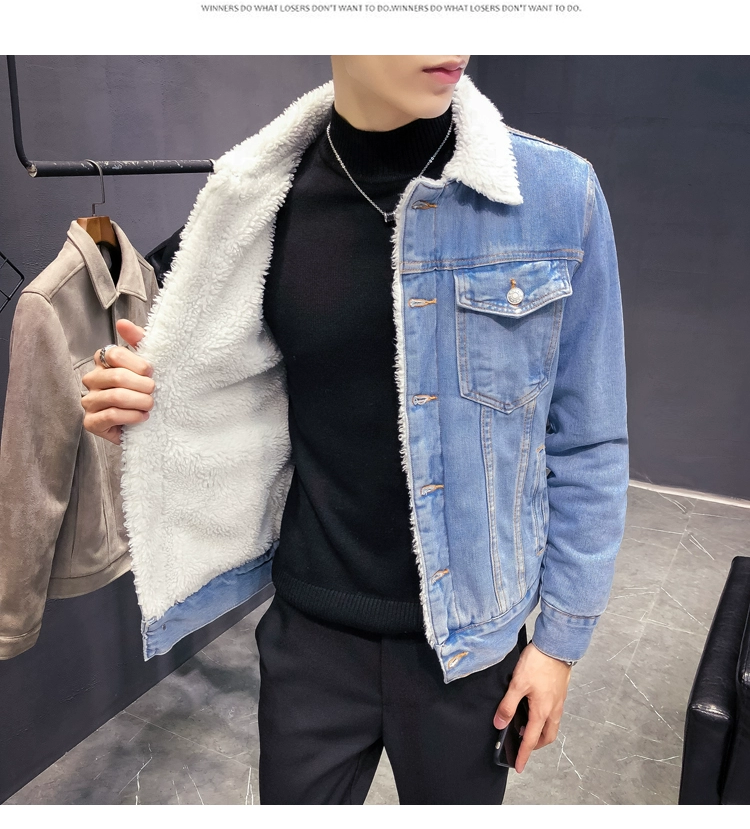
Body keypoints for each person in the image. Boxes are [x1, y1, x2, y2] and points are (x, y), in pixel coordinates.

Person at [81, 55, 628, 804]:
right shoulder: (254, 200)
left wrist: (559, 644)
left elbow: (589, 441)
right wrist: (140, 407)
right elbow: (214, 390)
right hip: (310, 637)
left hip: (469, 650)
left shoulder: (558, 196)